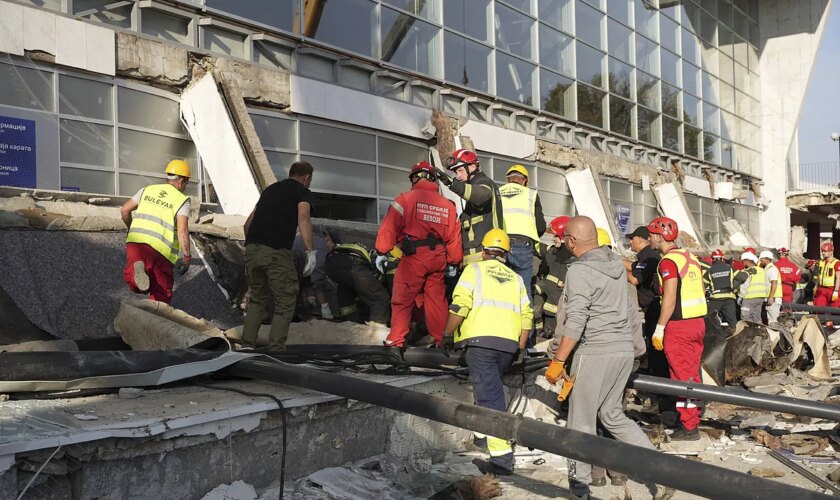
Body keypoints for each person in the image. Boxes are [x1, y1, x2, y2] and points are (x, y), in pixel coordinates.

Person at [543, 216, 664, 499]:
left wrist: (558, 360)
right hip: (623, 350)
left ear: (572, 241)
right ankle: (662, 471)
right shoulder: (615, 265)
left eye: (564, 240)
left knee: (580, 420)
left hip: (595, 350)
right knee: (612, 415)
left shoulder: (579, 271)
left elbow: (575, 321)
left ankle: (579, 487)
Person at [441, 228, 532, 476]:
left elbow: (460, 305)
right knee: (487, 391)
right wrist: (521, 347)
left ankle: (502, 459)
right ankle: (482, 438)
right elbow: (527, 315)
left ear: (483, 251)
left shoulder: (474, 270)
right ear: (506, 255)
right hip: (507, 347)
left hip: (481, 344)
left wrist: (447, 334)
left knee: (491, 399)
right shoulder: (516, 279)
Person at [376, 161, 462, 347]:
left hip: (414, 256)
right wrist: (454, 261)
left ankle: (396, 341)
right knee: (436, 302)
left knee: (402, 299)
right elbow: (454, 239)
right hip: (439, 259)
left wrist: (384, 250)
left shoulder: (405, 199)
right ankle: (442, 341)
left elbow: (387, 232)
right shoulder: (449, 205)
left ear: (414, 178)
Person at [240, 161, 316, 349]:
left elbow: (247, 224)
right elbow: (303, 218)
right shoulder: (302, 192)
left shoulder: (270, 190)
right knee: (286, 300)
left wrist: (254, 246)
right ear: (307, 178)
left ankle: (246, 345)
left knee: (258, 299)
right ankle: (276, 350)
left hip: (252, 249)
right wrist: (310, 251)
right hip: (276, 251)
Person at [648, 216, 707, 441]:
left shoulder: (667, 262)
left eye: (652, 234)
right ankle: (693, 414)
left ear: (658, 236)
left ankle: (690, 426)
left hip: (679, 326)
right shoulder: (689, 257)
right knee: (692, 372)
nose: (650, 238)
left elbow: (670, 298)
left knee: (682, 376)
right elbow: (701, 288)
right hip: (697, 323)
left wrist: (659, 328)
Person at [120, 159, 193, 304]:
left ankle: (138, 272)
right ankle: (157, 320)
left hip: (135, 242)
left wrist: (131, 228)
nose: (185, 186)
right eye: (186, 183)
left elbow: (124, 210)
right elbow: (182, 230)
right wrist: (187, 256)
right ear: (182, 180)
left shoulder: (147, 190)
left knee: (134, 281)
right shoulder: (182, 200)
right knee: (161, 293)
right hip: (160, 250)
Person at [436, 149, 503, 265]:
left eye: (460, 170)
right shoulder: (473, 186)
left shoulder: (485, 182)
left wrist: (452, 184)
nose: (458, 176)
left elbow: (482, 195)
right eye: (456, 172)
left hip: (484, 257)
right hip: (477, 258)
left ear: (472, 166)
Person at [498, 164, 546, 303]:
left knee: (501, 289)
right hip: (523, 245)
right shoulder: (531, 194)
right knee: (524, 292)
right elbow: (541, 226)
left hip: (500, 245)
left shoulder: (497, 192)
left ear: (508, 180)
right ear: (525, 180)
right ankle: (525, 324)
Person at [324, 241, 390, 327]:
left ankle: (349, 325)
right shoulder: (381, 260)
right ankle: (377, 331)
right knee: (380, 298)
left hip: (331, 263)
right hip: (353, 264)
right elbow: (374, 280)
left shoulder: (363, 248)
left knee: (347, 291)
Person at [533, 216, 574, 338]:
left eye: (556, 236)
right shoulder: (551, 254)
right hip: (548, 311)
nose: (553, 239)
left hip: (562, 314)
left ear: (563, 237)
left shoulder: (572, 260)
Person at [703, 249, 738, 327]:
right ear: (722, 259)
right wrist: (735, 287)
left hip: (716, 299)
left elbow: (703, 286)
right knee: (732, 321)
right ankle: (735, 336)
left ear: (712, 259)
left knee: (708, 319)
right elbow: (743, 276)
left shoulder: (710, 271)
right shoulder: (730, 268)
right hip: (729, 298)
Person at [738, 252, 766, 323]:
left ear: (747, 261)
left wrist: (740, 296)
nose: (743, 264)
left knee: (745, 318)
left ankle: (748, 333)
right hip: (760, 298)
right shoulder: (762, 270)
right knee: (757, 318)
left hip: (749, 298)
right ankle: (759, 332)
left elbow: (744, 285)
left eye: (743, 262)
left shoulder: (747, 271)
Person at [759, 250, 783, 325]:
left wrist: (771, 297)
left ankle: (777, 336)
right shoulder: (767, 269)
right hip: (772, 298)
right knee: (771, 321)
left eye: (761, 260)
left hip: (774, 299)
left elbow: (774, 283)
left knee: (773, 321)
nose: (760, 261)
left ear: (767, 259)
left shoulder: (772, 269)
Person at [814, 242, 840, 307]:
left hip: (831, 289)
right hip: (821, 289)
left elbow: (838, 278)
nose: (823, 253)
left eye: (825, 251)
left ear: (831, 251)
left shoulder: (836, 263)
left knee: (835, 309)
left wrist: (836, 291)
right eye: (822, 251)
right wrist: (816, 287)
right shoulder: (821, 262)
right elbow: (819, 276)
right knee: (818, 307)